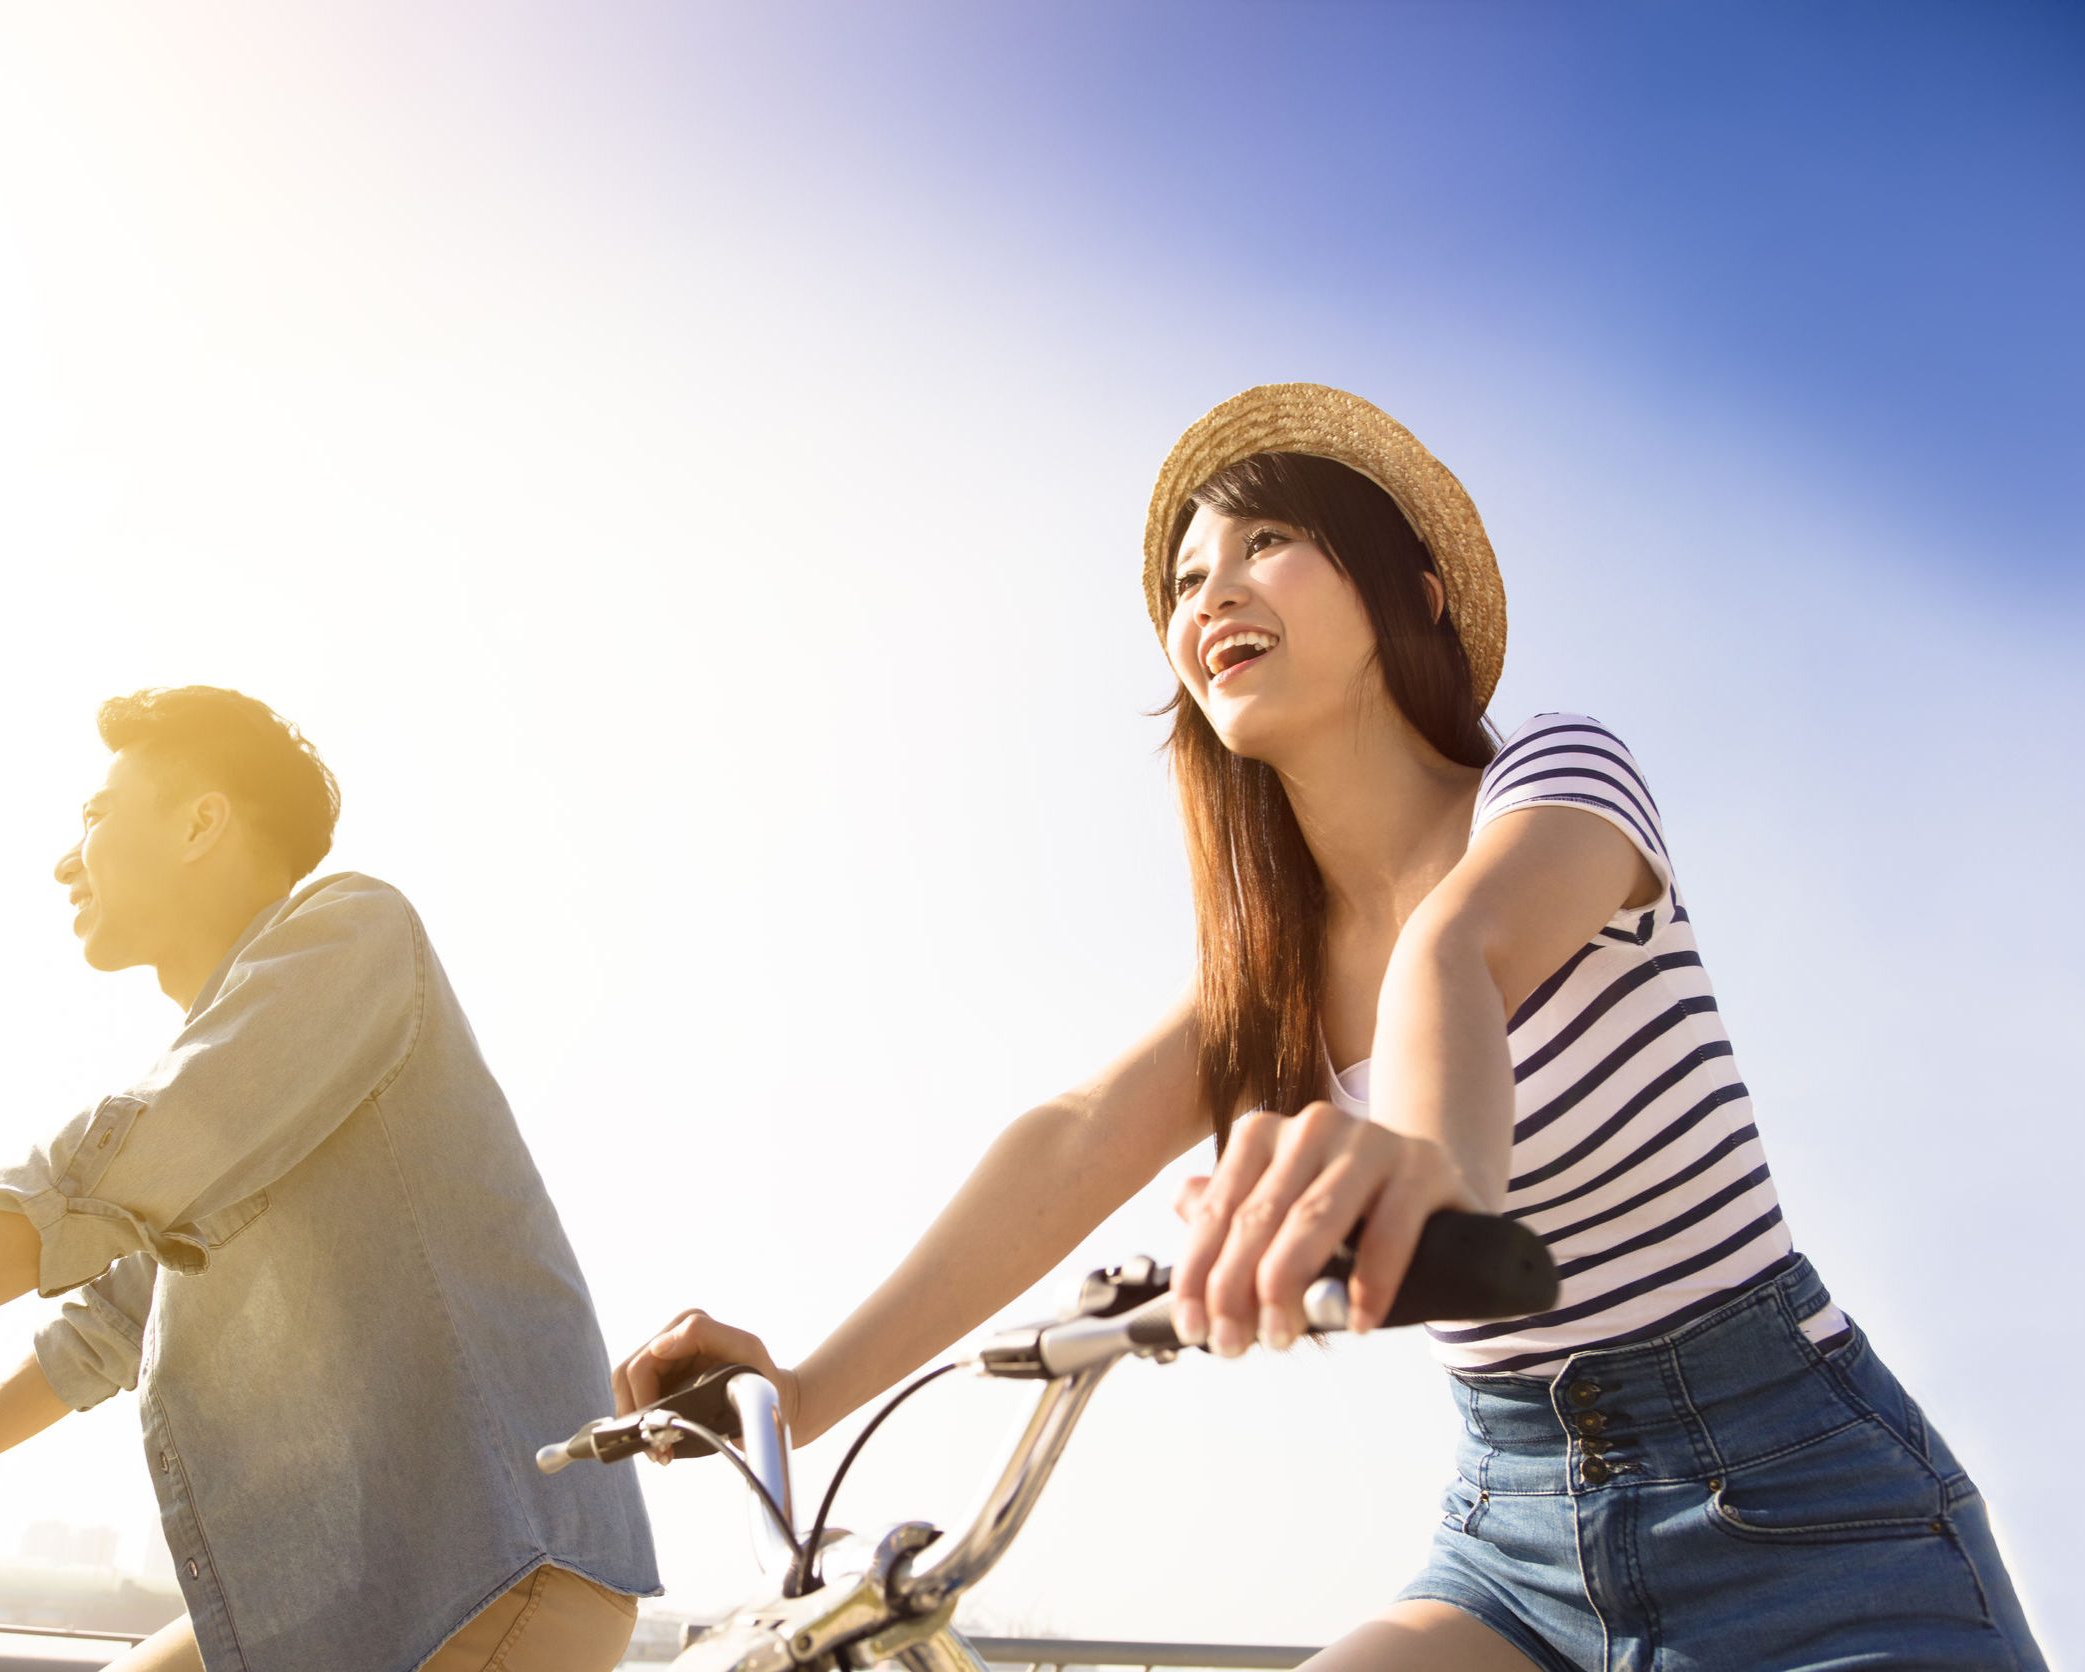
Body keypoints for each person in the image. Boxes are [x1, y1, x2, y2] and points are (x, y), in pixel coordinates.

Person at [613, 386, 2044, 1670]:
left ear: (1409, 590)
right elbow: (1065, 1143)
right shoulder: (1270, 989)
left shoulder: (1554, 780)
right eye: (1184, 577)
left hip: (1807, 1505)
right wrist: (791, 1399)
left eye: (1263, 542)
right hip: (1517, 1536)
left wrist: (1424, 1174)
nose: (1208, 590)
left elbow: (1457, 955)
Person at [0, 685, 658, 1672]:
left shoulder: (351, 934)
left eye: (98, 815)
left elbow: (99, 1178)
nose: (67, 859)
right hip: (371, 1595)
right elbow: (106, 1329)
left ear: (202, 821)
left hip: (480, 1574)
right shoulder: (259, 1086)